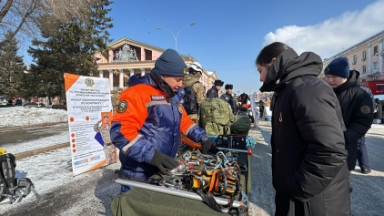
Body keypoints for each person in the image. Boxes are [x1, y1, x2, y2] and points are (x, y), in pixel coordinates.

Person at [256, 42, 350, 216]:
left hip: (313, 201)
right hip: (296, 196)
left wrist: (299, 188)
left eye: (260, 70)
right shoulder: (287, 90)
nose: (261, 78)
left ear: (274, 61)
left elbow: (330, 151)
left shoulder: (307, 89)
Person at [110, 49, 217, 192]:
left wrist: (203, 138)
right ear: (163, 75)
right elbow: (121, 133)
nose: (180, 84)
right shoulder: (138, 93)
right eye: (177, 80)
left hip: (162, 168)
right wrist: (152, 155)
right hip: (138, 172)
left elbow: (183, 122)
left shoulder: (172, 96)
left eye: (182, 80)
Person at [324, 58, 374, 174]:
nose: (330, 80)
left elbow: (362, 121)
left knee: (340, 182)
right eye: (327, 76)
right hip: (325, 144)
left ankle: (365, 166)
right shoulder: (326, 91)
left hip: (345, 144)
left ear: (344, 76)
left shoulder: (360, 94)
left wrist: (342, 138)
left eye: (334, 77)